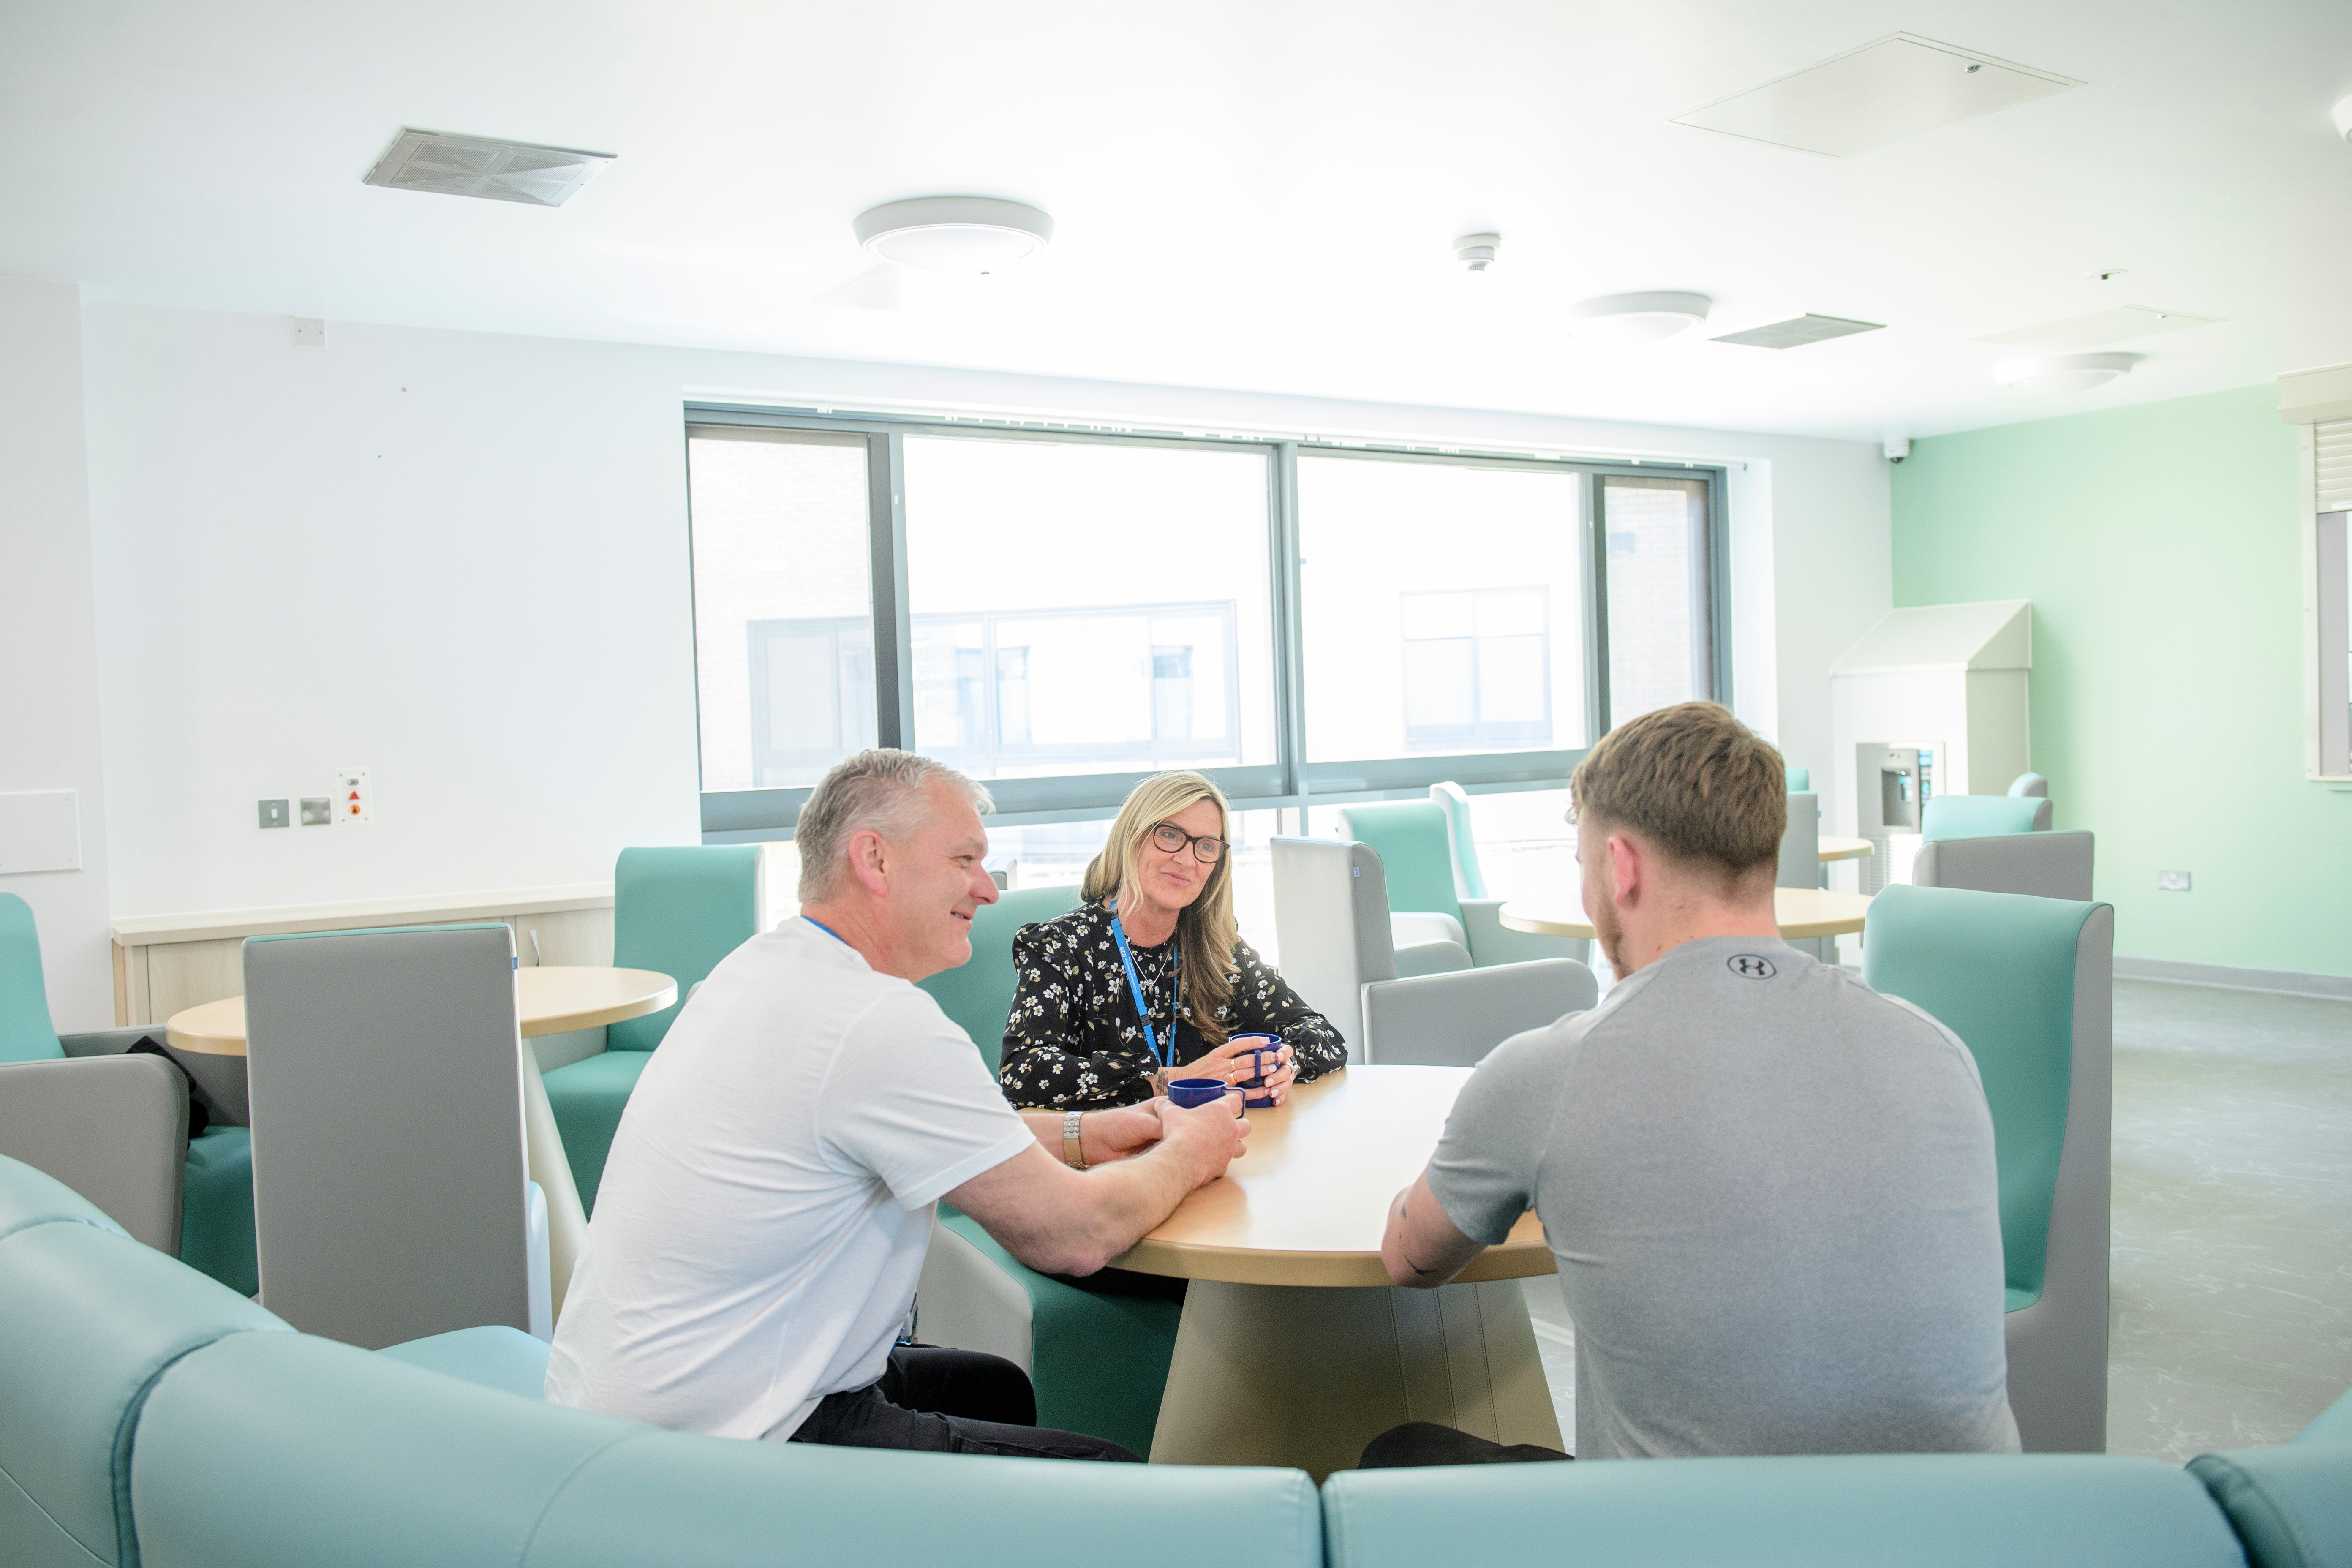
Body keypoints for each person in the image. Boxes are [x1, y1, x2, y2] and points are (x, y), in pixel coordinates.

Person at [545, 749, 1250, 1461]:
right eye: (964, 859)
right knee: (1116, 1477)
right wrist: (1194, 1148)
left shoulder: (761, 969)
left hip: (622, 1401)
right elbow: (1074, 1233)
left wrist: (1091, 1131)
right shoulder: (876, 1022)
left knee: (993, 1390)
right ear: (874, 860)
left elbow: (940, 1131)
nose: (988, 889)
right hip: (726, 1442)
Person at [1365, 702, 2019, 1466]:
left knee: (1401, 1450)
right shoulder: (1933, 1044)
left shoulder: (1551, 1071)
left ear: (1621, 865)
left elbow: (1410, 1259)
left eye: (1583, 866)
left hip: (1692, 1540)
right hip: (1971, 1536)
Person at [998, 771, 1347, 1111]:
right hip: (1108, 1159)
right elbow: (1023, 1073)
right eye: (1169, 835)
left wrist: (1287, 1062)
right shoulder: (1060, 947)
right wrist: (1171, 1079)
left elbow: (1323, 1034)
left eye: (1206, 846)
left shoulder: (1219, 949)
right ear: (1131, 836)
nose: (1186, 860)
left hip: (1211, 1147)